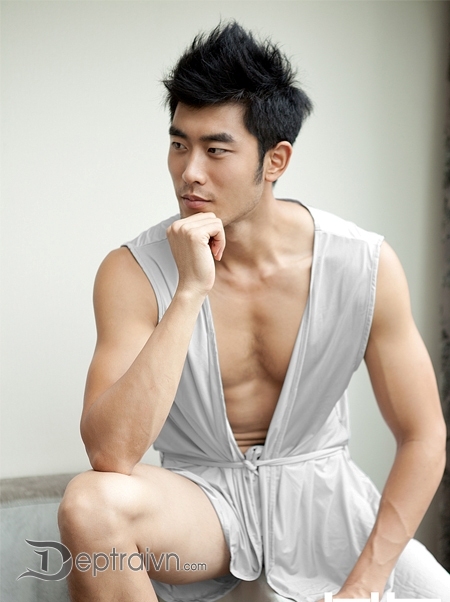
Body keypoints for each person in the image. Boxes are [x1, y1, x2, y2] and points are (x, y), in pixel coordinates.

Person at [58, 21, 450, 602]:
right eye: (179, 144)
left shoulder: (363, 264)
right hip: (204, 507)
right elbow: (109, 455)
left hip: (325, 504)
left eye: (216, 149)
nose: (190, 171)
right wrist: (189, 292)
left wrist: (363, 587)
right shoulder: (131, 272)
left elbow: (423, 435)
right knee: (89, 505)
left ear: (275, 160)